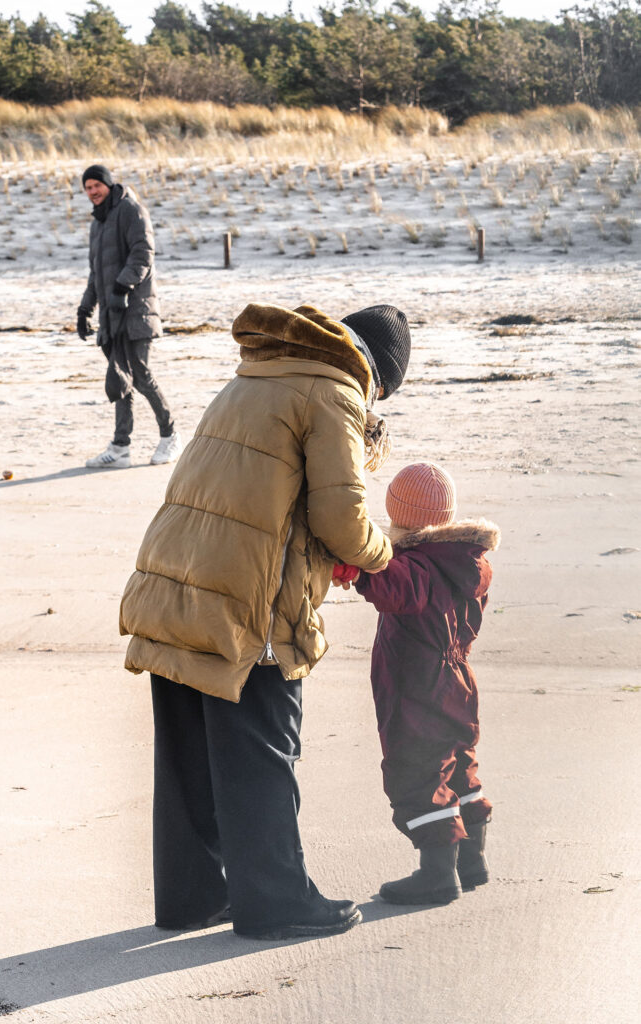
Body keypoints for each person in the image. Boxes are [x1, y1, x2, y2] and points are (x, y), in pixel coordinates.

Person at [119, 301, 411, 939]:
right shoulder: (334, 392)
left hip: (177, 580)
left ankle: (191, 897)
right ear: (374, 371)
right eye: (383, 389)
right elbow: (342, 520)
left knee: (188, 752)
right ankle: (276, 904)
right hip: (250, 605)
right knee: (262, 750)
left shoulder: (256, 373)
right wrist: (384, 553)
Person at [338, 461, 499, 905]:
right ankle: (471, 861)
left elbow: (393, 587)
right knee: (458, 761)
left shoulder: (418, 566)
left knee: (418, 768)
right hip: (459, 677)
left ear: (399, 515)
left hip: (416, 682)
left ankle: (437, 873)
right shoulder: (468, 560)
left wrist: (359, 563)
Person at [76, 164, 182, 469]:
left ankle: (170, 434)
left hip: (136, 309)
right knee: (119, 377)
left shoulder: (131, 210)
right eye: (87, 187)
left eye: (96, 185)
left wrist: (123, 286)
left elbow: (143, 254)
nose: (92, 192)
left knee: (138, 372)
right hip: (111, 313)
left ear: (109, 185)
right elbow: (95, 273)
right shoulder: (98, 223)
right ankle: (120, 447)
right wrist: (85, 309)